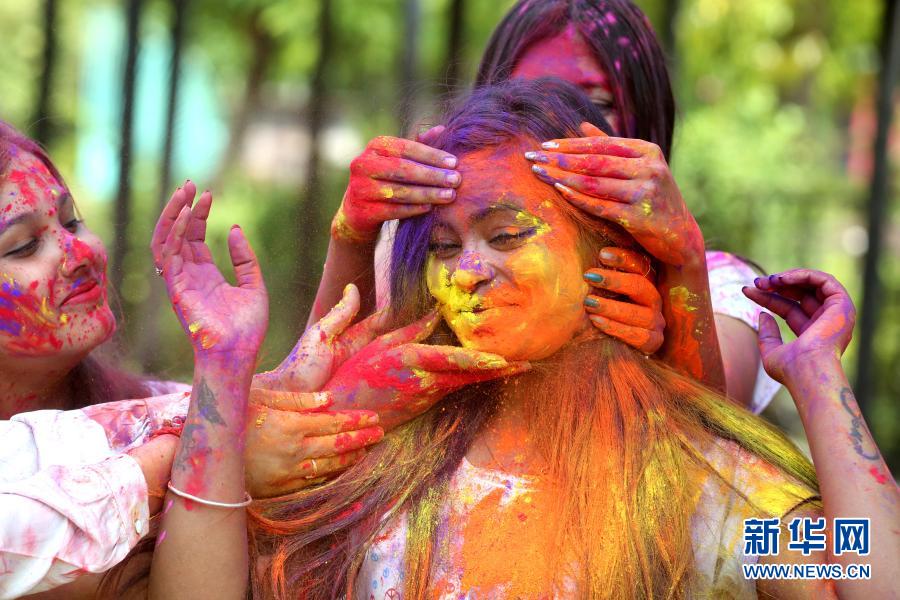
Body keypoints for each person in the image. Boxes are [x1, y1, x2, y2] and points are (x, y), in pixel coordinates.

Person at [145, 79, 898, 599]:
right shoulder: (375, 453)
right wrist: (223, 367)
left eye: (507, 234)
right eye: (442, 248)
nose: (468, 271)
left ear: (608, 253)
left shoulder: (704, 488)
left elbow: (871, 580)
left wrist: (818, 376)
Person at [310, 0, 778, 412]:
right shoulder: (432, 268)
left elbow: (720, 450)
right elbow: (312, 402)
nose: (554, 126)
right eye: (526, 101)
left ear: (648, 121)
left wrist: (682, 265)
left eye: (595, 101)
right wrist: (351, 236)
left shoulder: (721, 285)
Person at [0, 122, 386, 598]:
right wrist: (211, 442)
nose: (80, 252)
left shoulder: (159, 404)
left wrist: (354, 239)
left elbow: (304, 405)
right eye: (22, 246)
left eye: (72, 221)